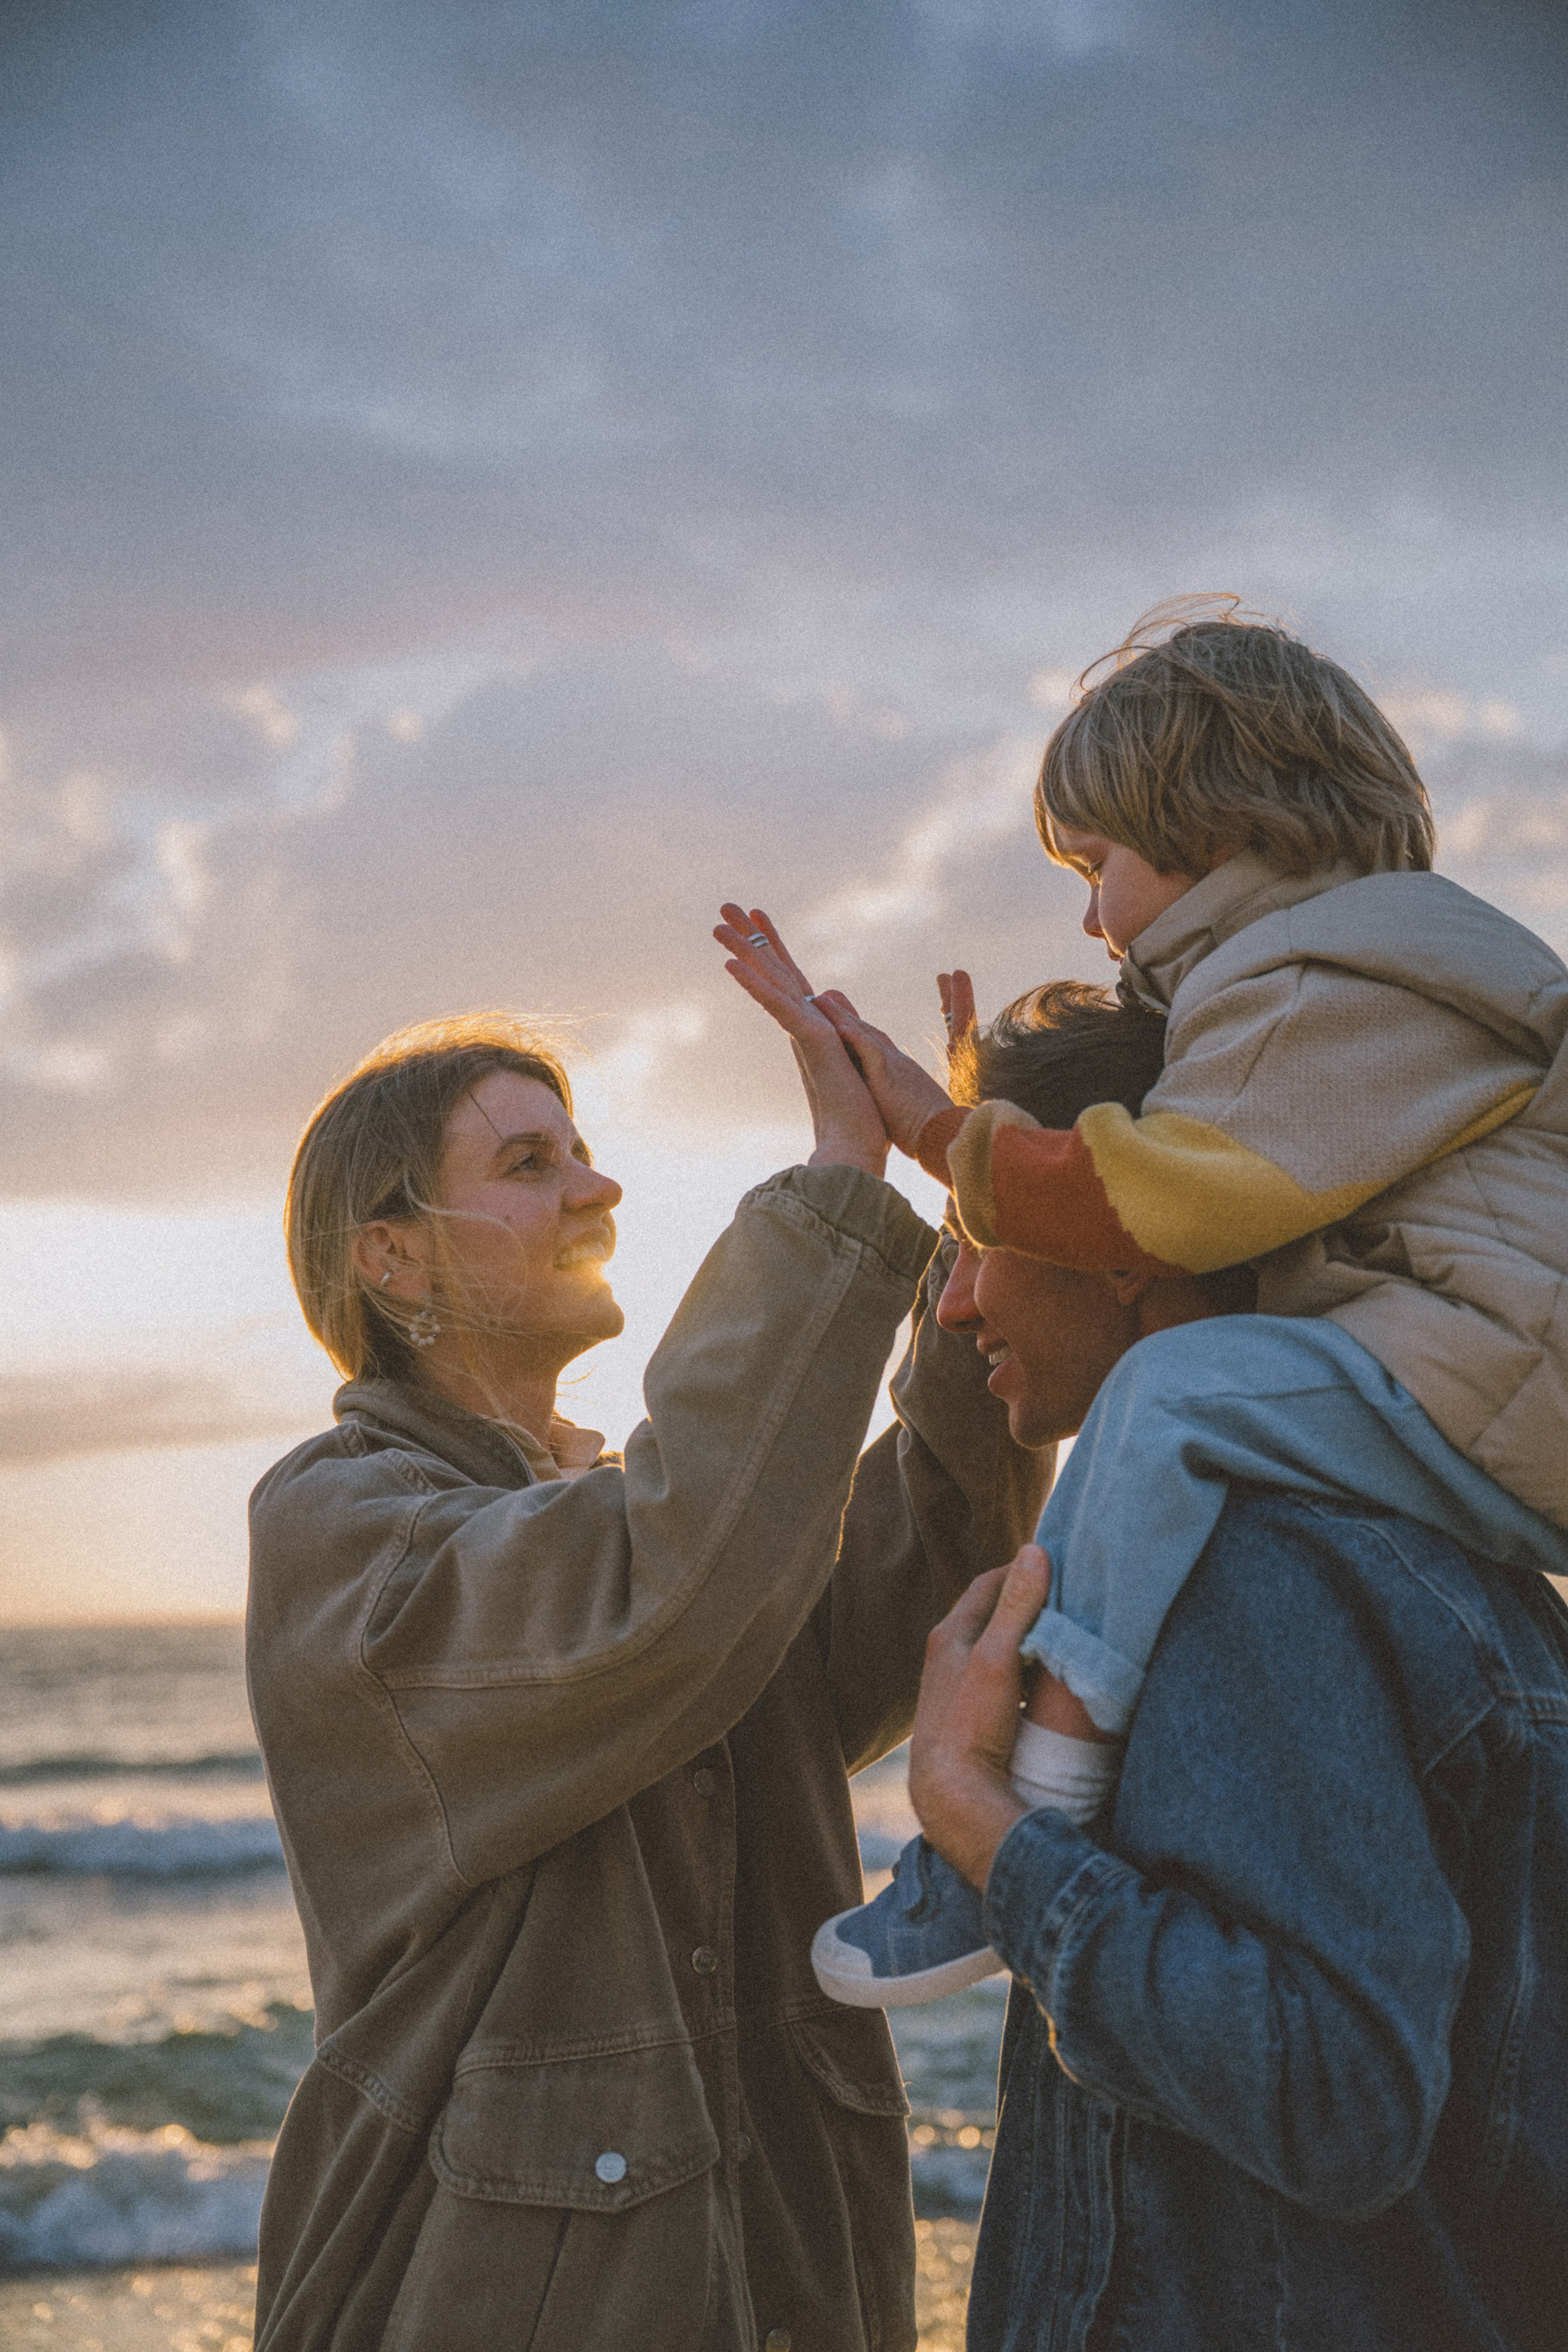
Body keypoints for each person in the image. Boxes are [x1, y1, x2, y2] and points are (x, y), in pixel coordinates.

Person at [718, 608, 1568, 2002]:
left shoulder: (1336, 970)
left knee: (1172, 1401)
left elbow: (1158, 1200)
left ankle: (1022, 1808)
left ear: (1216, 823)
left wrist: (947, 1135)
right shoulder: (1334, 967)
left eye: (1096, 865)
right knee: (1177, 1414)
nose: (1086, 914)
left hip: (1486, 1365)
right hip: (1477, 1374)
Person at [246, 1008, 1046, 2352]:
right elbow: (655, 1593)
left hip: (780, 2277)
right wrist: (835, 1188)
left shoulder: (652, 1527)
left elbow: (925, 1562)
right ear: (389, 1255)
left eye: (585, 1152)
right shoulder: (345, 1532)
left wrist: (984, 1217)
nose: (597, 1188)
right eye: (527, 1165)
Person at [899, 997, 1568, 2349]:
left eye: (975, 1242)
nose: (957, 1297)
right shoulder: (1432, 1549)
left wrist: (975, 1821)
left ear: (1127, 1247)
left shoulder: (1252, 1566)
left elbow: (1333, 2099)